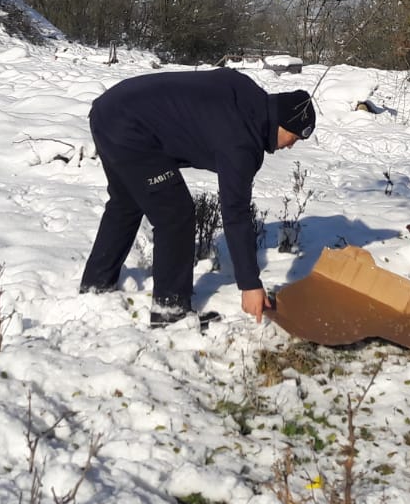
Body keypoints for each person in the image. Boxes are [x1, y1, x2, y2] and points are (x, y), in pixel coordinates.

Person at [79, 68, 317, 328]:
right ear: (281, 123)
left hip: (110, 110)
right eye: (293, 138)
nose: (291, 145)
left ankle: (96, 284)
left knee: (126, 201)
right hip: (129, 127)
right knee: (175, 213)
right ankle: (171, 310)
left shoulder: (248, 98)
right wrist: (250, 284)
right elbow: (235, 212)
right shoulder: (241, 141)